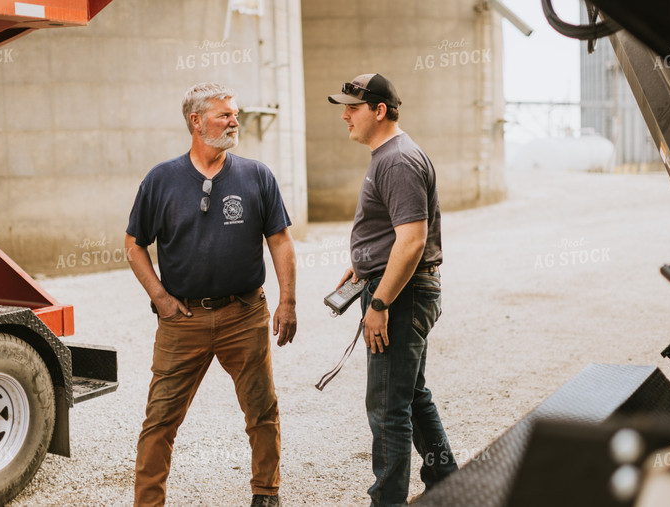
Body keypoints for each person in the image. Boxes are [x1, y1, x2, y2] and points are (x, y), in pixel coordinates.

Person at [125, 82, 296, 507]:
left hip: (244, 314)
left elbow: (280, 240)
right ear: (196, 122)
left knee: (261, 410)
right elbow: (133, 245)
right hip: (182, 321)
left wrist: (288, 301)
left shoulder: (256, 175)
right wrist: (161, 299)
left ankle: (266, 493)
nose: (235, 121)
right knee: (159, 421)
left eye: (235, 113)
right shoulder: (161, 180)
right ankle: (147, 503)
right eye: (224, 114)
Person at [328, 73, 458, 506]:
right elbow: (395, 233)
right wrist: (362, 264)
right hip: (397, 286)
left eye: (353, 106)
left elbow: (413, 240)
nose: (345, 115)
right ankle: (447, 482)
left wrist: (380, 301)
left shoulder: (398, 160)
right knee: (411, 395)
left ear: (379, 110)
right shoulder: (389, 155)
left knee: (387, 407)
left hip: (400, 297)